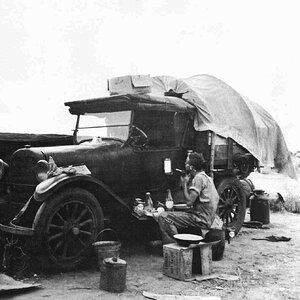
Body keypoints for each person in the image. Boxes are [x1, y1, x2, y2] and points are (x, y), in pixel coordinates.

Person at [157, 152, 222, 245]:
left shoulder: (198, 178)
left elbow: (189, 202)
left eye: (186, 163)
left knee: (163, 216)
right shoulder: (207, 178)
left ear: (191, 167)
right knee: (174, 214)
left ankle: (177, 244)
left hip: (200, 218)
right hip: (208, 217)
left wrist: (184, 184)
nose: (185, 164)